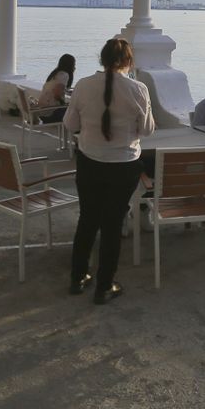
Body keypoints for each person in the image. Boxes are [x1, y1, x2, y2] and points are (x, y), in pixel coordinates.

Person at [63, 38, 154, 305]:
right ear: (129, 62)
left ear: (101, 59)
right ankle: (105, 286)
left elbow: (70, 125)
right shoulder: (138, 89)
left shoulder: (82, 86)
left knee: (88, 219)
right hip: (124, 166)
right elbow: (147, 130)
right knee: (112, 225)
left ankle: (78, 278)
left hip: (90, 162)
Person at [36, 53, 77, 123]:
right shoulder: (64, 75)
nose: (75, 66)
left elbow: (57, 90)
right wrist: (63, 103)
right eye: (74, 64)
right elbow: (56, 94)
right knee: (75, 110)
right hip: (50, 114)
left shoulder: (55, 74)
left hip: (42, 112)